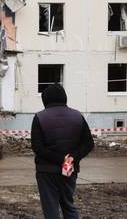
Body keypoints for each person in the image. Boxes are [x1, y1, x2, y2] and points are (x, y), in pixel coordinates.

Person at [31, 84, 94, 219]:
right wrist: (72, 157)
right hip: (69, 169)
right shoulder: (78, 116)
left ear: (45, 99)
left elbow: (37, 147)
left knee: (51, 209)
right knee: (68, 205)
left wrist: (60, 158)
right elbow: (89, 143)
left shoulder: (40, 117)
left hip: (46, 171)